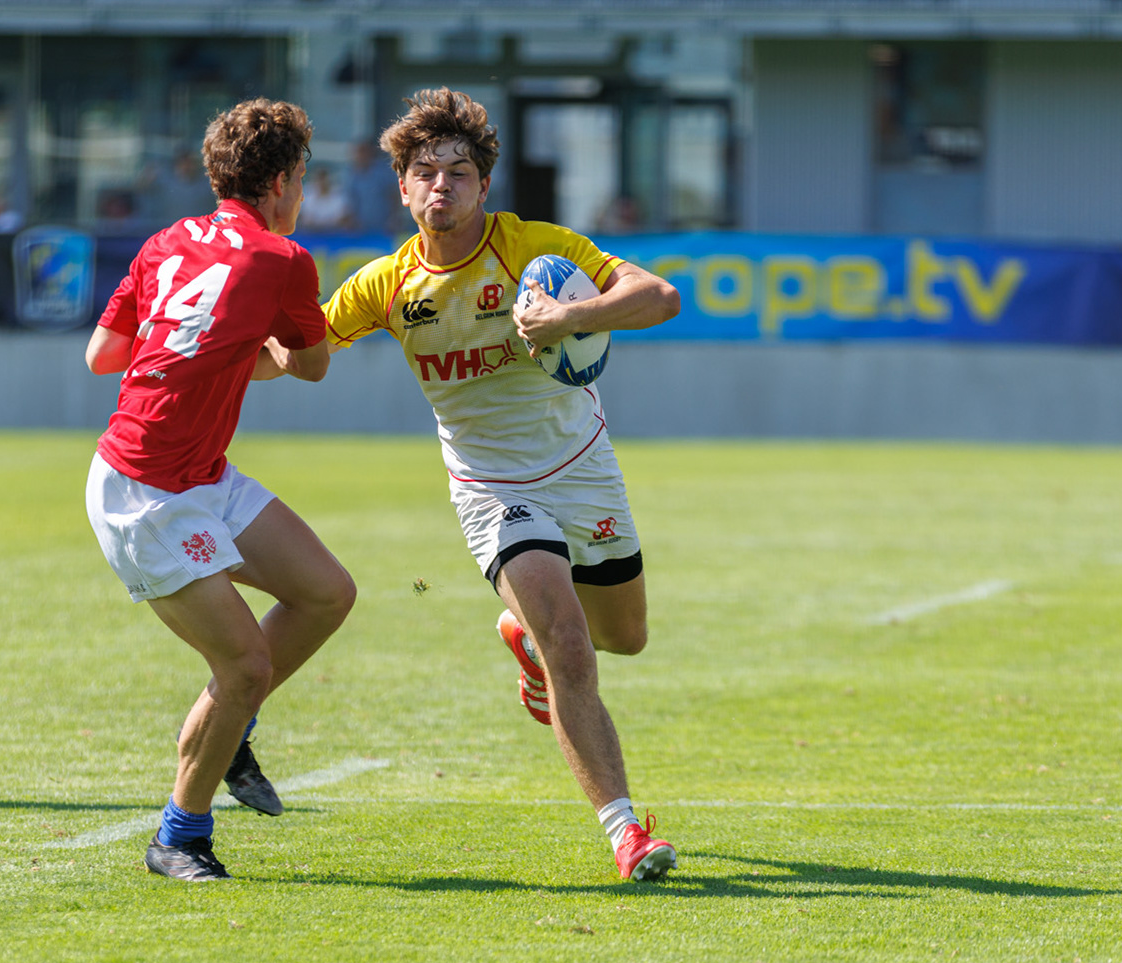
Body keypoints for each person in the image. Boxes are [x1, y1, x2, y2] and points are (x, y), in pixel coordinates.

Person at [309, 88, 682, 883]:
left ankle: (524, 641)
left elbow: (659, 296)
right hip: (491, 486)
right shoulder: (384, 285)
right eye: (423, 172)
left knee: (625, 637)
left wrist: (570, 320)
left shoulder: (531, 248)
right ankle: (626, 832)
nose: (440, 185)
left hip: (582, 465)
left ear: (485, 187)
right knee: (573, 646)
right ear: (403, 189)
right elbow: (298, 347)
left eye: (458, 171)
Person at [83, 98, 355, 882]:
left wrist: (208, 348)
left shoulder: (166, 241)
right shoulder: (284, 260)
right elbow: (311, 366)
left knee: (327, 592)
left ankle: (230, 729)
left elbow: (103, 355)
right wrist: (253, 348)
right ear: (280, 182)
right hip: (145, 492)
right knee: (242, 668)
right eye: (301, 178)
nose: (300, 195)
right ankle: (180, 835)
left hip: (198, 471)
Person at [300, 165, 350, 230]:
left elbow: (343, 220)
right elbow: (303, 218)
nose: (321, 182)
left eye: (323, 178)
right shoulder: (307, 193)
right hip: (310, 235)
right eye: (318, 178)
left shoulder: (338, 195)